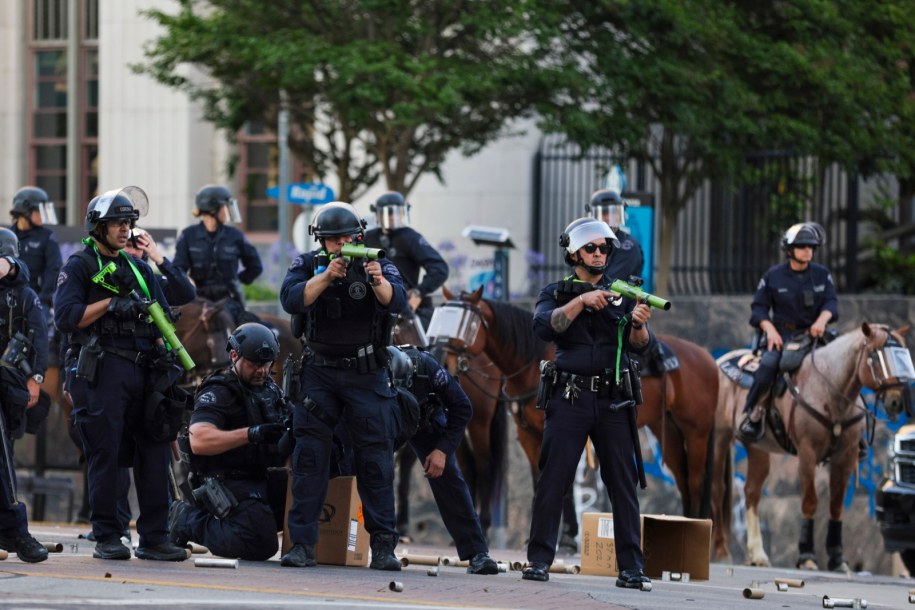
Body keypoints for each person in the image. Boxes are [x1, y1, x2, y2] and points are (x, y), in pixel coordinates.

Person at [53, 186, 189, 562]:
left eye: (128, 222)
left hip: (145, 369)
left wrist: (170, 372)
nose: (125, 228)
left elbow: (168, 316)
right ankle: (109, 535)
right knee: (106, 452)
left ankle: (155, 537)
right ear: (98, 226)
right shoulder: (80, 265)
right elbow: (66, 318)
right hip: (103, 369)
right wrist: (111, 304)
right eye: (117, 222)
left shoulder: (141, 269)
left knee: (155, 450)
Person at [522, 218, 651, 588]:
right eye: (591, 248)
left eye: (605, 249)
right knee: (554, 479)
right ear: (574, 253)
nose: (599, 254)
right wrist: (582, 300)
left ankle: (631, 567)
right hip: (570, 396)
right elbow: (545, 327)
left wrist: (640, 324)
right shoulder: (557, 291)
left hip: (613, 400)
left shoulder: (623, 292)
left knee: (622, 484)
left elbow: (642, 346)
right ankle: (539, 560)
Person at [279, 201, 406, 570]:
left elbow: (396, 300)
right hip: (319, 372)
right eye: (332, 240)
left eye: (346, 239)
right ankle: (302, 545)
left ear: (359, 236)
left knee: (375, 462)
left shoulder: (377, 263)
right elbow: (291, 299)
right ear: (321, 241)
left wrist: (376, 279)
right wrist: (325, 277)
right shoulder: (307, 264)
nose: (340, 245)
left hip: (366, 374)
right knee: (309, 459)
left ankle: (383, 547)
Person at [168, 323, 289, 561]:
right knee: (260, 543)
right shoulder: (219, 390)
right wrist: (251, 433)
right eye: (255, 364)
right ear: (235, 356)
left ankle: (252, 520)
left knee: (311, 494)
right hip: (225, 481)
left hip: (261, 477)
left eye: (267, 364)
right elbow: (199, 440)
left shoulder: (270, 390)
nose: (262, 371)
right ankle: (186, 519)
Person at [387, 345, 499, 575]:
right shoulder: (373, 370)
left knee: (448, 478)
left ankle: (477, 552)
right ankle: (379, 548)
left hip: (425, 420)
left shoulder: (428, 369)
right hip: (387, 419)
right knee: (367, 468)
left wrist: (442, 450)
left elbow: (463, 407)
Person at [737, 222, 838, 442]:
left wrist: (822, 320)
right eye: (802, 246)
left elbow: (831, 303)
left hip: (816, 335)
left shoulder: (822, 274)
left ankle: (851, 427)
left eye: (811, 247)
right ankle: (755, 413)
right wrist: (770, 330)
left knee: (843, 366)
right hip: (782, 336)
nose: (808, 251)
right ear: (790, 250)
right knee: (769, 366)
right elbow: (758, 309)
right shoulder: (773, 276)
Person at [0, 228, 49, 563]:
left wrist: (36, 378)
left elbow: (40, 338)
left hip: (8, 382)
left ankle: (16, 531)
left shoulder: (23, 293)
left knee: (3, 455)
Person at [173, 185, 262, 326]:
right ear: (212, 208)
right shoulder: (188, 235)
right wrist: (187, 281)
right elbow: (178, 269)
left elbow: (255, 266)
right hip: (197, 299)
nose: (228, 211)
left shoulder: (235, 236)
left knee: (245, 327)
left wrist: (236, 281)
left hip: (228, 299)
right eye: (225, 207)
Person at [364, 191, 448, 331]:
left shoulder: (411, 238)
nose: (392, 217)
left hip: (406, 306)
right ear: (377, 214)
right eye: (388, 213)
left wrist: (419, 292)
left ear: (403, 213)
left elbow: (439, 268)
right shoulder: (368, 237)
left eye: (397, 212)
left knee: (420, 349)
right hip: (373, 303)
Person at [9, 186, 62, 320]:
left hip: (35, 300)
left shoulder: (47, 237)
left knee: (39, 335)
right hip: (7, 300)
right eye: (39, 211)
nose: (42, 215)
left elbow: (54, 269)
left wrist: (42, 299)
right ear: (25, 211)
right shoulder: (7, 236)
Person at [587, 189, 644, 282]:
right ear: (593, 215)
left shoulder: (628, 246)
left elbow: (610, 282)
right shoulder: (587, 243)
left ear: (620, 215)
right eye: (604, 213)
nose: (608, 218)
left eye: (613, 213)